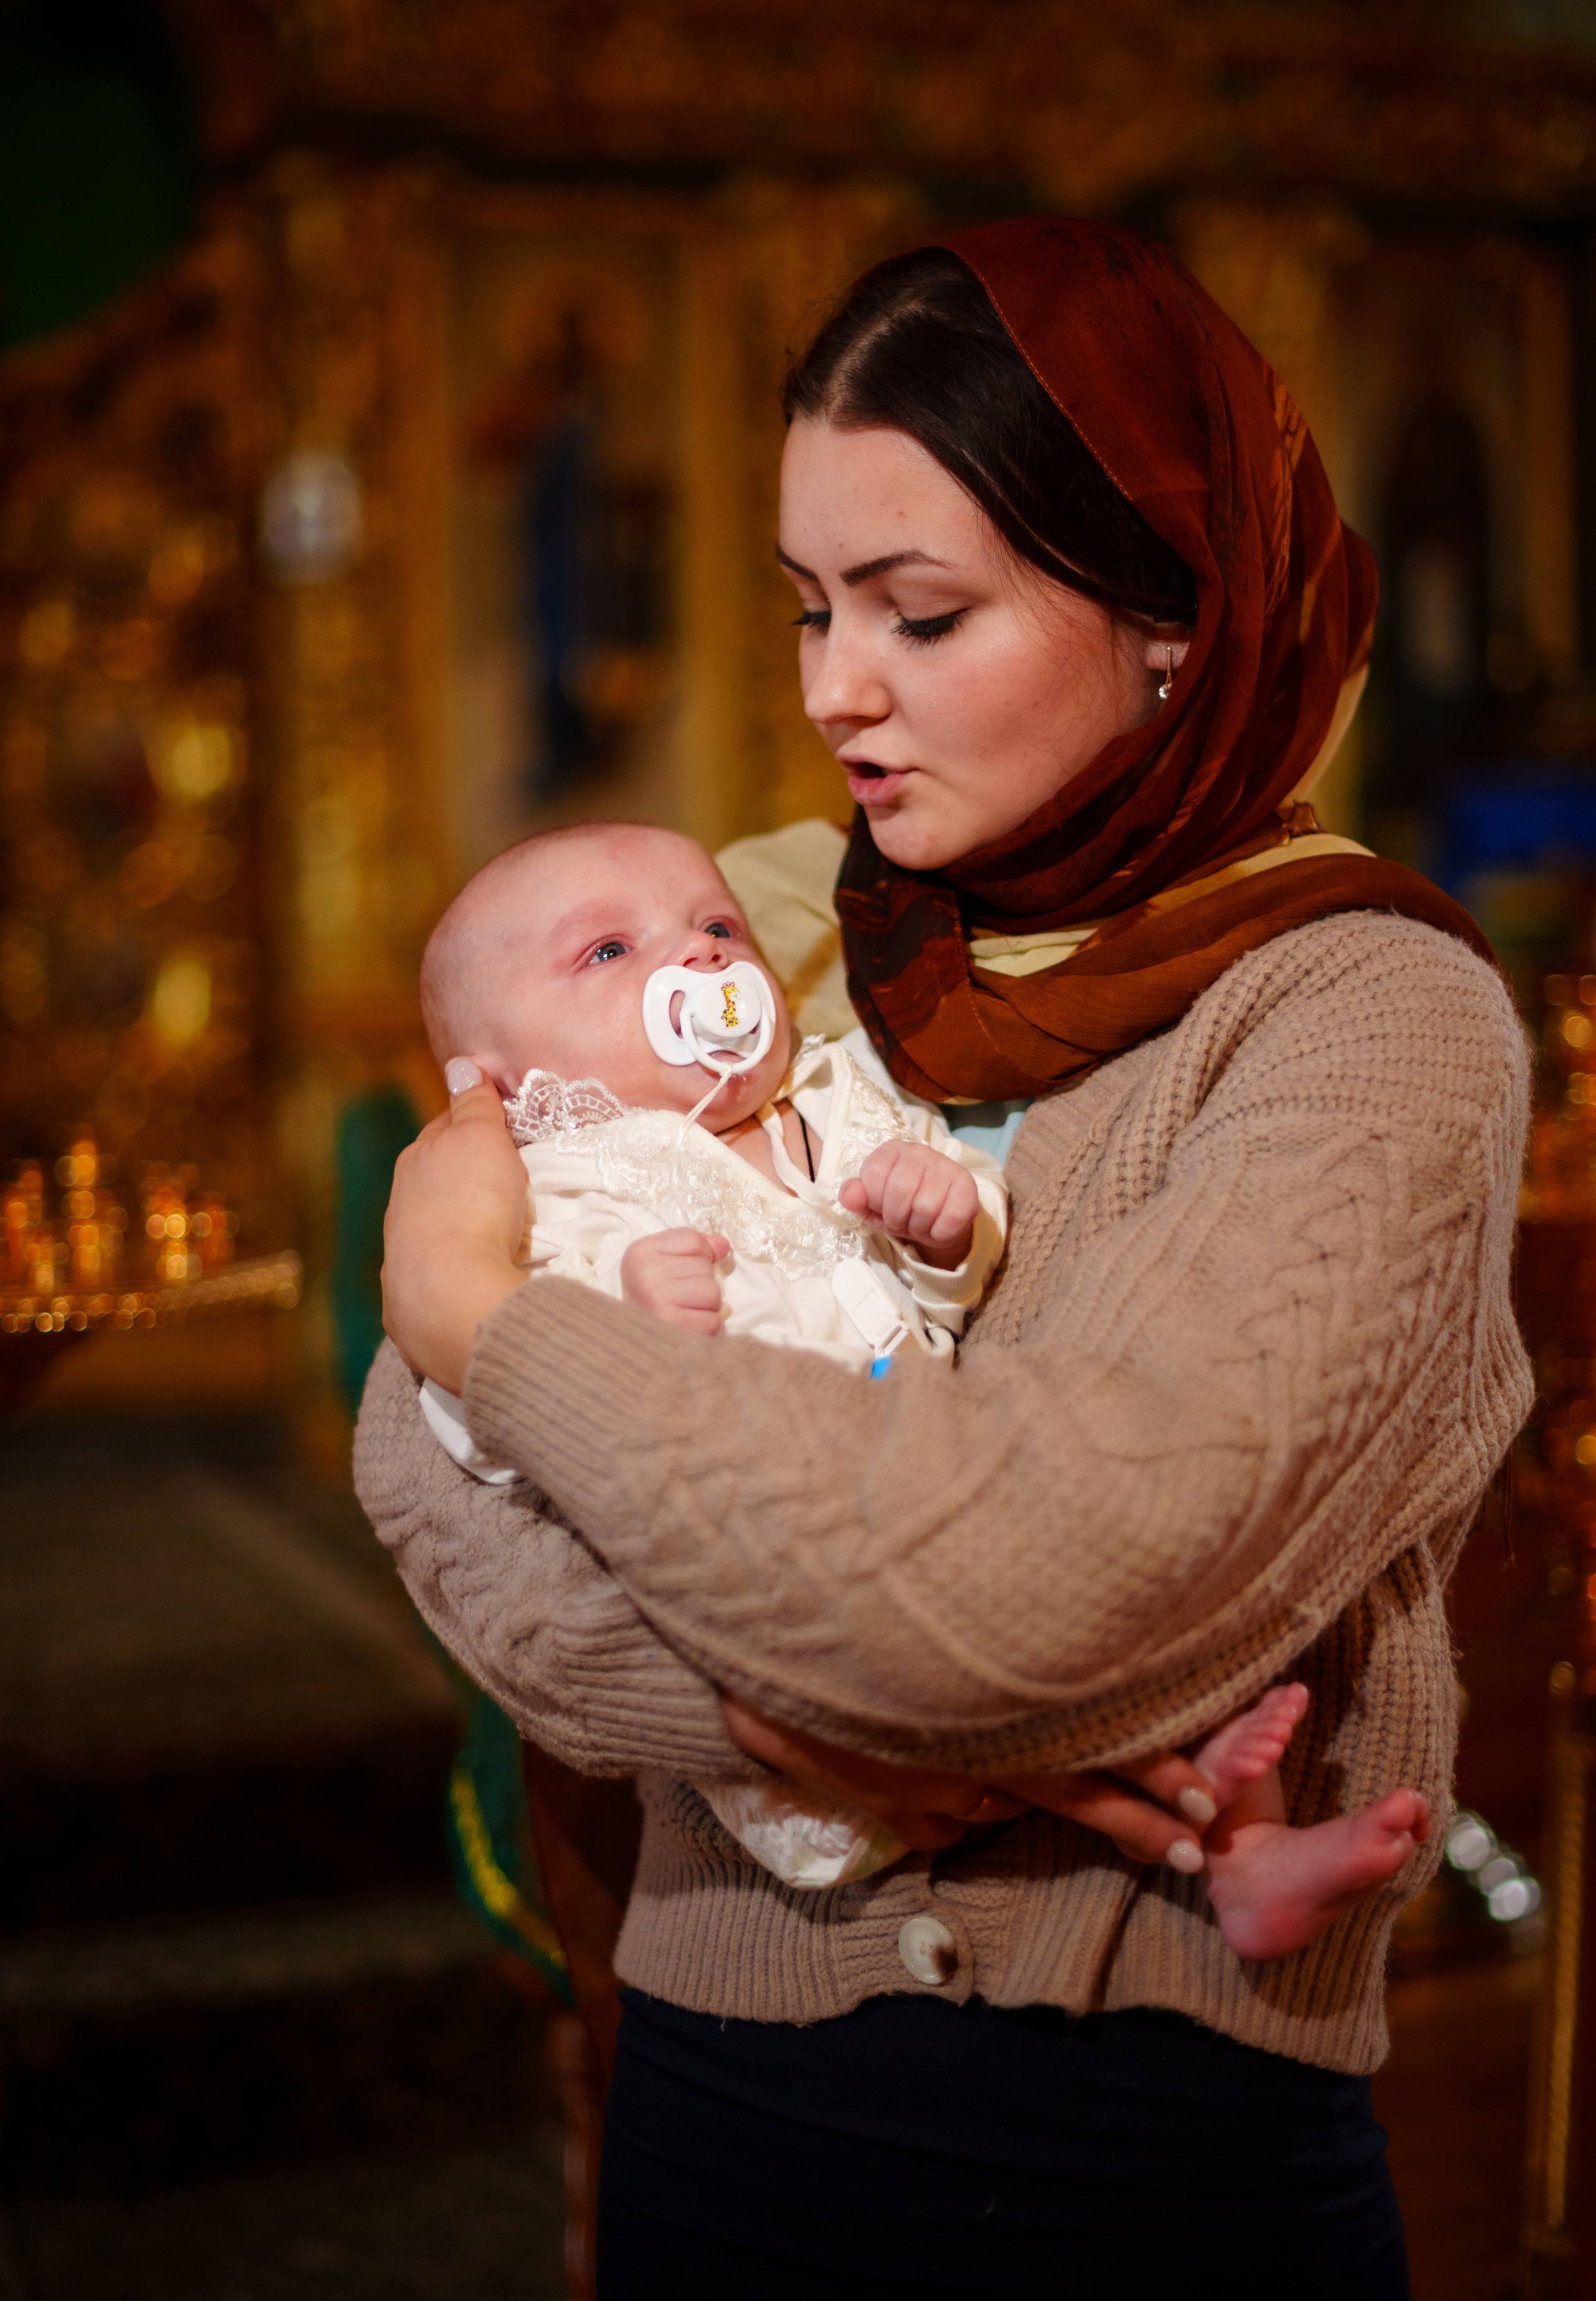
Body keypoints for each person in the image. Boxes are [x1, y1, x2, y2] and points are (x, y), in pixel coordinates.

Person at [361, 221, 1532, 2299]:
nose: (831, 691)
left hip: (1138, 2142)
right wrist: (786, 1717)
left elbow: (1018, 1599)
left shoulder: (1364, 1018)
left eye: (920, 611)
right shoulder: (775, 926)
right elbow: (421, 1470)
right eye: (814, 608)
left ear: (1174, 611)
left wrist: (484, 1318)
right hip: (721, 2087)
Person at [411, 813, 1439, 1955]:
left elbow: (944, 1288)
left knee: (1096, 1618)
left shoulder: (834, 1095)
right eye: (608, 953)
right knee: (984, 1660)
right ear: (499, 1083)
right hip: (760, 1558)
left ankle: (1248, 1852)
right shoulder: (549, 1192)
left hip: (931, 1484)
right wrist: (619, 1327)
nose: (698, 957)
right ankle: (1198, 1819)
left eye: (716, 926)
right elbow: (474, 1422)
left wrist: (945, 1223)